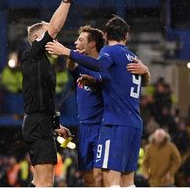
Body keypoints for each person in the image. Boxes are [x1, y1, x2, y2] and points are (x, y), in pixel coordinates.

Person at [46, 15, 148, 186]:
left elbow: (100, 67)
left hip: (108, 124)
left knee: (107, 178)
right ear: (127, 35)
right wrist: (145, 71)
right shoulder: (130, 57)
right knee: (110, 180)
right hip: (112, 124)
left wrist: (65, 51)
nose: (77, 42)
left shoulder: (108, 57)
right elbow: (74, 67)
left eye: (80, 39)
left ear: (104, 37)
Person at [21, 0, 78, 187]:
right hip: (37, 125)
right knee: (45, 182)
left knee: (41, 181)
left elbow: (43, 99)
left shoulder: (41, 61)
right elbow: (54, 28)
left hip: (41, 124)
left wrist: (56, 126)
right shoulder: (32, 54)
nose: (53, 36)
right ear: (38, 39)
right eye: (47, 33)